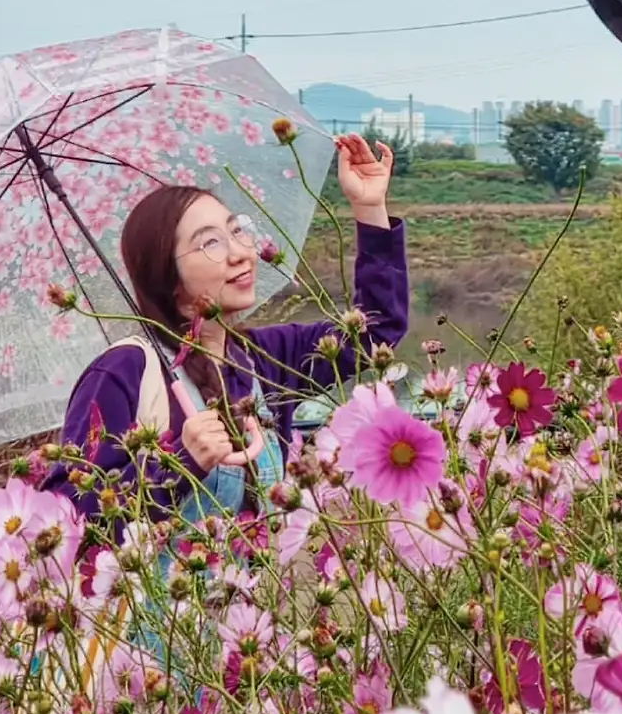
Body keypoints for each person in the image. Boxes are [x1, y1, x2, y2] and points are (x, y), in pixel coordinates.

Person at [45, 133, 407, 531]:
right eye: (211, 243)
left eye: (237, 231)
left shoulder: (262, 358)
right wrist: (181, 462)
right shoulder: (125, 371)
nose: (240, 253)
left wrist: (369, 208)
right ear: (167, 275)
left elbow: (373, 334)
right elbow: (65, 517)